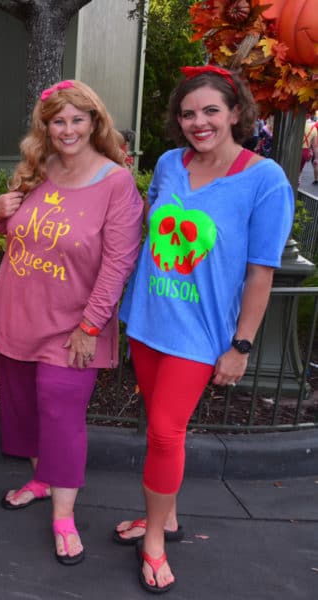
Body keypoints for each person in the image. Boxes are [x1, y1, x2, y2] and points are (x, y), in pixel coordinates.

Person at [115, 65, 293, 593]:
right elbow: (149, 232)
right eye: (189, 113)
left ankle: (155, 540)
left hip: (200, 333)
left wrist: (241, 345)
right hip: (148, 320)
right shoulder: (170, 163)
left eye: (212, 110)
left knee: (165, 431)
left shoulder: (265, 179)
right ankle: (163, 515)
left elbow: (261, 271)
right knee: (160, 426)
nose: (199, 122)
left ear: (237, 113)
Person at [0, 80, 143, 566]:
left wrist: (91, 326)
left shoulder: (116, 183)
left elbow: (119, 262)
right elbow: (16, 237)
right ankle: (39, 478)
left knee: (62, 416)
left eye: (78, 118)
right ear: (46, 127)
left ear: (95, 122)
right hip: (15, 318)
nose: (68, 129)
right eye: (58, 120)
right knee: (24, 409)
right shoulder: (38, 170)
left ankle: (63, 517)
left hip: (74, 328)